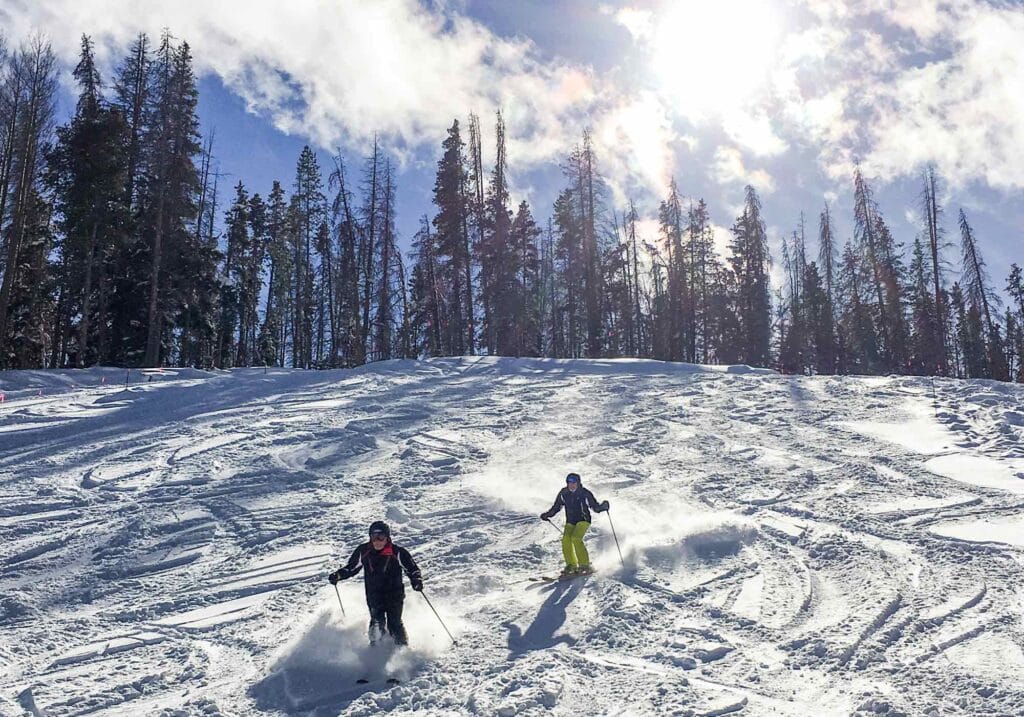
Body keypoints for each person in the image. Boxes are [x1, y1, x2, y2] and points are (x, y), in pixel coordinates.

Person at [329, 520, 423, 646]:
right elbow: (351, 568)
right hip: (374, 594)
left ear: (387, 537)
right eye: (374, 537)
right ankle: (375, 649)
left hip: (394, 594)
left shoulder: (397, 552)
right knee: (376, 622)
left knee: (394, 623)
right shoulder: (364, 551)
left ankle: (402, 650)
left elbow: (412, 569)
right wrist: (338, 575)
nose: (377, 540)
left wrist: (416, 580)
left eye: (381, 537)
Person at [540, 472, 609, 576]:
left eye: (573, 482)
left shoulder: (584, 493)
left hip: (583, 520)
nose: (571, 484)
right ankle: (571, 565)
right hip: (571, 521)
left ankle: (585, 565)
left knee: (576, 538)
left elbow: (594, 507)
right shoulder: (564, 493)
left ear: (578, 483)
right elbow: (557, 507)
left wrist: (603, 507)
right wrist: (548, 514)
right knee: (565, 540)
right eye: (569, 482)